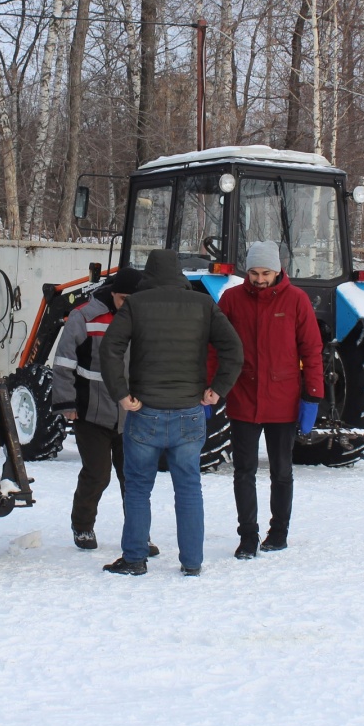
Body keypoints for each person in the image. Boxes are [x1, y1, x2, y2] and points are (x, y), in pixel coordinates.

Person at [98, 249, 243, 577]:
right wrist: (217, 389)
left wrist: (121, 395)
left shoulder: (136, 305)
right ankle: (192, 562)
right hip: (189, 413)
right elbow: (233, 348)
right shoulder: (204, 305)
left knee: (137, 487)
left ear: (148, 275)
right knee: (189, 487)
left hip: (145, 412)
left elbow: (110, 349)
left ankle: (135, 559)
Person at [217, 240, 324, 559]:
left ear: (278, 271)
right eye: (253, 273)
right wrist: (214, 385)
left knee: (281, 470)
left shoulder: (296, 300)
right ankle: (248, 535)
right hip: (244, 397)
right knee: (244, 470)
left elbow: (312, 350)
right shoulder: (231, 299)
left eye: (265, 273)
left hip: (283, 399)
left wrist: (313, 393)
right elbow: (216, 345)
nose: (259, 279)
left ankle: (278, 532)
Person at [51, 267, 152, 552]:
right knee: (97, 473)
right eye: (122, 299)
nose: (127, 305)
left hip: (131, 414)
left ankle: (138, 534)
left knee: (132, 477)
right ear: (111, 293)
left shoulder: (144, 317)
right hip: (90, 411)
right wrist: (66, 403)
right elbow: (64, 362)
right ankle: (82, 526)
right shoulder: (84, 316)